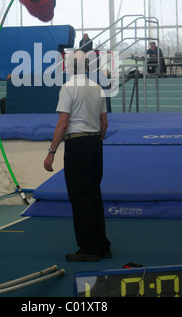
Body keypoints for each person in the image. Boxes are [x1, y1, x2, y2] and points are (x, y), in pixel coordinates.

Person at [44, 50, 111, 262]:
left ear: (69, 67)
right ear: (88, 67)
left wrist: (51, 152)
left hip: (77, 144)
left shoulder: (68, 88)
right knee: (94, 195)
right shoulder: (97, 87)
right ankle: (102, 245)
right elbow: (104, 124)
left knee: (81, 198)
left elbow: (63, 124)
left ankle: (88, 249)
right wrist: (95, 141)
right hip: (94, 144)